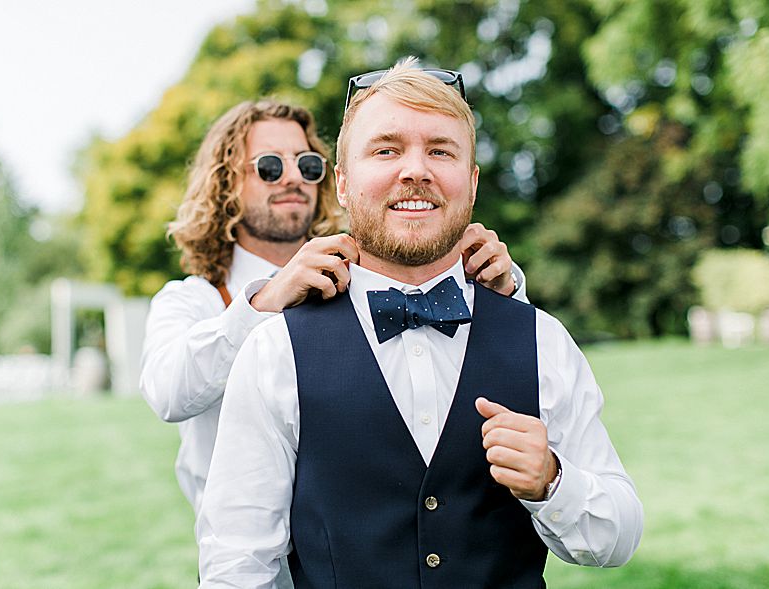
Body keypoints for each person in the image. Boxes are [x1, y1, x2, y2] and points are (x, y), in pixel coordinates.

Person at [195, 58, 644, 588]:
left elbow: (619, 536)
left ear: (471, 182)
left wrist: (553, 482)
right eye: (386, 150)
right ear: (341, 182)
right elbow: (236, 564)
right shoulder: (275, 351)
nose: (415, 170)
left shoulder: (542, 340)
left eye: (440, 150)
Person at [140, 96, 528, 584]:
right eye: (268, 165)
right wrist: (266, 302)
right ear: (224, 184)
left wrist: (501, 290)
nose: (293, 177)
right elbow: (167, 391)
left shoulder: (356, 276)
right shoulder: (191, 301)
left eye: (307, 164)